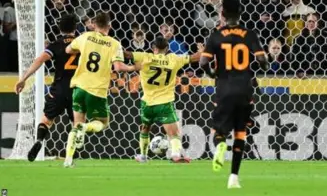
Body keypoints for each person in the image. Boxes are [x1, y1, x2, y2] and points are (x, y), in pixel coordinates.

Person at [199, 0, 268, 189]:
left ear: (222, 14)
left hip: (224, 88)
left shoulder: (216, 36)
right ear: (240, 13)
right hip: (245, 89)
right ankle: (234, 178)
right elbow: (263, 61)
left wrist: (214, 73)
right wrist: (251, 71)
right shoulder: (249, 34)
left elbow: (203, 63)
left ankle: (221, 144)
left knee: (218, 131)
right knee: (240, 133)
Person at [62, 12, 137, 168]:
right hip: (96, 90)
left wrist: (83, 50)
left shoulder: (85, 36)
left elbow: (68, 50)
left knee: (76, 123)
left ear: (94, 24)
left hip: (79, 86)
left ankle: (68, 159)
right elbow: (118, 67)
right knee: (102, 122)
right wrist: (133, 67)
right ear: (109, 26)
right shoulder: (114, 44)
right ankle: (86, 127)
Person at [14, 14, 79, 162]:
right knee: (77, 123)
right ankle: (71, 153)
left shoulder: (56, 44)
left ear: (60, 28)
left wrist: (23, 79)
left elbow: (39, 60)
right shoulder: (82, 43)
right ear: (75, 27)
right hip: (77, 88)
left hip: (59, 89)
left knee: (46, 120)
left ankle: (39, 141)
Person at [131, 37, 203, 163]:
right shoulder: (174, 59)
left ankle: (143, 156)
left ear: (154, 48)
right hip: (164, 102)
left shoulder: (145, 57)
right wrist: (202, 50)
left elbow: (127, 54)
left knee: (145, 128)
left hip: (147, 102)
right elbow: (195, 57)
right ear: (167, 49)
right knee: (173, 133)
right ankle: (175, 155)